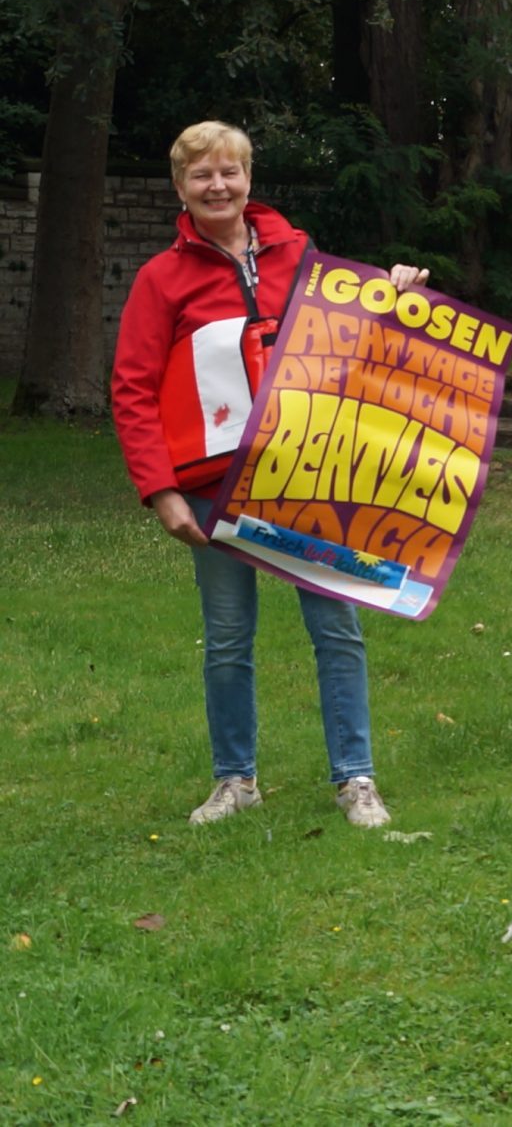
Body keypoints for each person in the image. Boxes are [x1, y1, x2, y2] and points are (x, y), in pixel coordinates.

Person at [110, 120, 428, 830]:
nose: (217, 185)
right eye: (201, 175)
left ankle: (355, 779)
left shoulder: (299, 254)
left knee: (336, 625)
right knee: (228, 635)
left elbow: (355, 328)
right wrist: (161, 491)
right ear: (180, 187)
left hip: (303, 475)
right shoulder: (161, 279)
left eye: (229, 171)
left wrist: (395, 286)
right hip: (211, 488)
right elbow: (131, 388)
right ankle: (235, 780)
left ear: (248, 178)